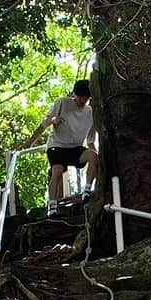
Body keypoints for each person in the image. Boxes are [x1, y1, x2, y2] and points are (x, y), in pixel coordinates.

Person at [39, 79, 97, 215]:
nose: (83, 100)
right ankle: (52, 206)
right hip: (57, 146)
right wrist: (54, 121)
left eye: (86, 97)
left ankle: (87, 191)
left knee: (92, 156)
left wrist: (96, 152)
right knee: (57, 171)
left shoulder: (90, 112)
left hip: (75, 148)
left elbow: (90, 141)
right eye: (81, 97)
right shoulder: (63, 102)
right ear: (75, 94)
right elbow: (47, 121)